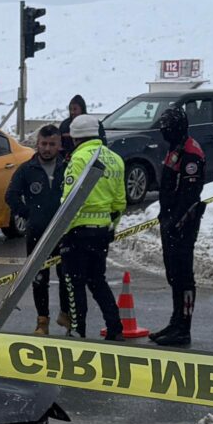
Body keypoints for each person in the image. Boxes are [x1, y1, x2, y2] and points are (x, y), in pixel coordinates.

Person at [57, 118, 128, 340]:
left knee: (74, 283)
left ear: (76, 137)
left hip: (77, 232)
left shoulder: (78, 159)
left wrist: (63, 233)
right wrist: (110, 227)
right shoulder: (115, 159)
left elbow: (70, 201)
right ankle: (115, 328)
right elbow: (119, 202)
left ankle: (78, 331)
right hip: (101, 232)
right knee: (97, 280)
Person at [150, 102, 206, 346]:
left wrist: (176, 221)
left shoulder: (191, 153)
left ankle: (184, 327)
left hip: (184, 222)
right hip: (170, 219)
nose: (164, 131)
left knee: (183, 276)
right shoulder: (175, 148)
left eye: (167, 127)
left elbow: (189, 194)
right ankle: (175, 322)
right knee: (173, 274)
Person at [5, 125, 68, 334]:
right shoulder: (26, 169)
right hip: (37, 233)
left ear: (59, 145)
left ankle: (66, 315)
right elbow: (11, 195)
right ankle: (42, 321)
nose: (47, 148)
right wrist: (29, 214)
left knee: (66, 274)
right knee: (39, 278)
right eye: (43, 144)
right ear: (37, 144)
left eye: (52, 144)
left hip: (63, 232)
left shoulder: (67, 167)